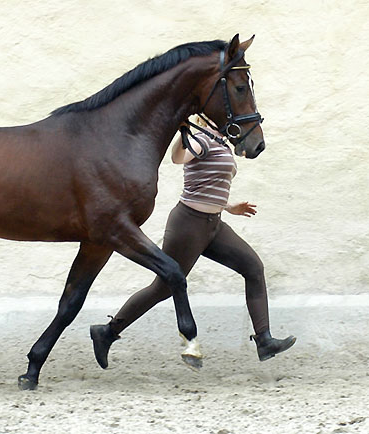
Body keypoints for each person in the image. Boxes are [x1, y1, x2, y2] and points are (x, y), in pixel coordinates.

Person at [90, 116, 296, 369]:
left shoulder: (221, 140)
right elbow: (179, 158)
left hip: (214, 225)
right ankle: (107, 332)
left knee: (253, 268)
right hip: (188, 226)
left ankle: (264, 340)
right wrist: (183, 134)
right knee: (163, 288)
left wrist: (229, 206)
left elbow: (208, 183)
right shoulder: (201, 138)